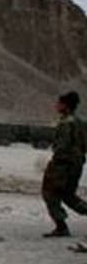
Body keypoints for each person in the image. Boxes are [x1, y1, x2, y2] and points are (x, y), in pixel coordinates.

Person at [41, 91, 87, 237]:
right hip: (76, 163)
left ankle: (61, 227)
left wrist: (56, 160)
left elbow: (62, 145)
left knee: (50, 193)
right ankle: (61, 226)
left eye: (59, 103)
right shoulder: (80, 122)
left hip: (63, 164)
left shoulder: (66, 123)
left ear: (66, 106)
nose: (56, 106)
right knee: (68, 195)